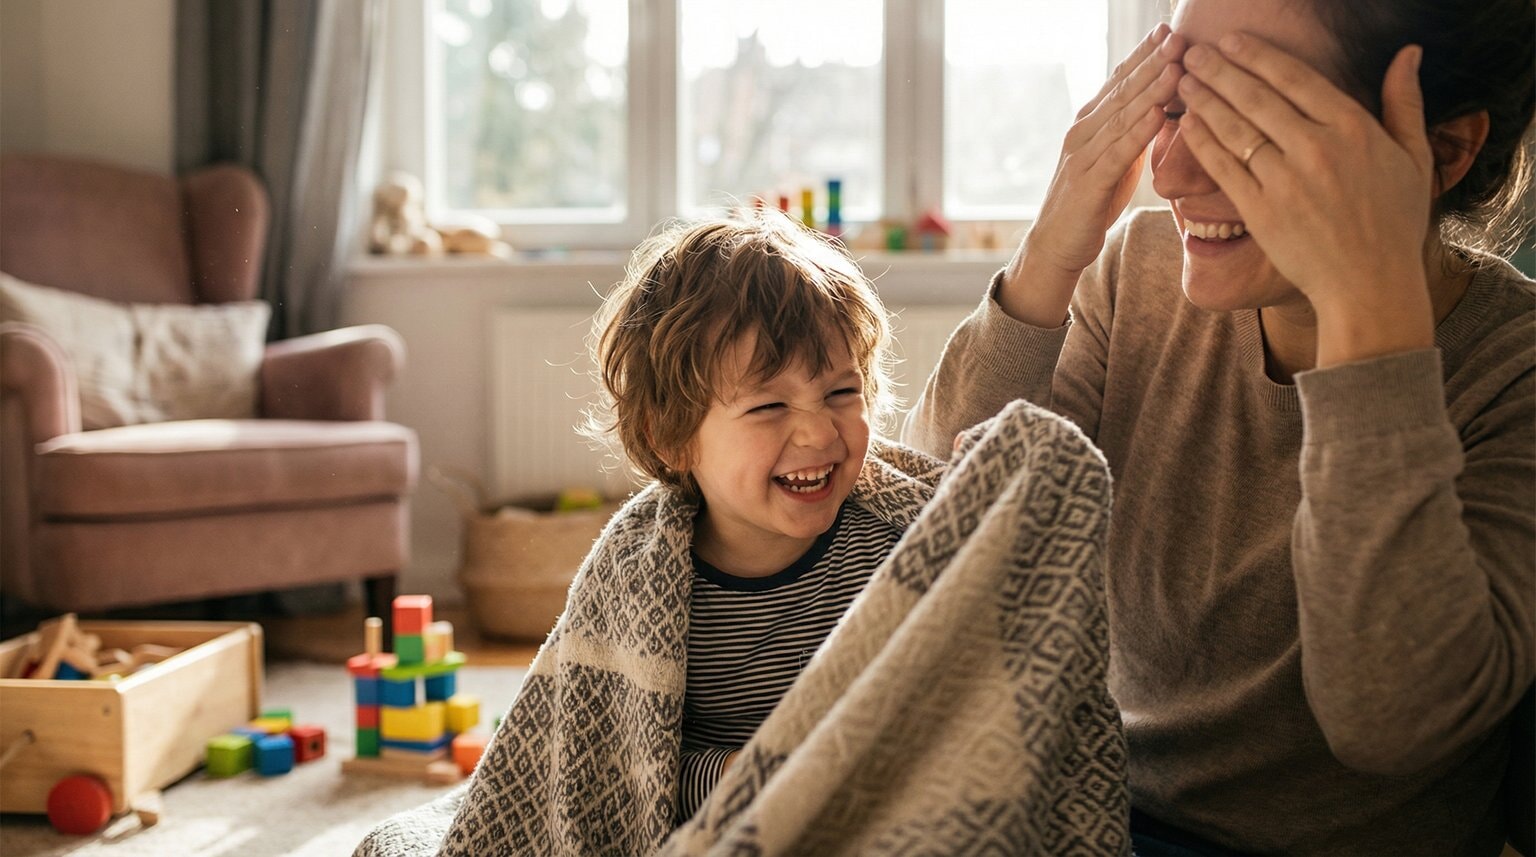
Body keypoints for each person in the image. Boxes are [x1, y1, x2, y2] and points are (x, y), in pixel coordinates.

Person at [904, 0, 1535, 855]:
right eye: (1173, 101)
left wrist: (1368, 303)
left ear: (1443, 152)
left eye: (1248, 123)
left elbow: (1388, 723)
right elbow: (927, 549)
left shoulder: (1514, 366)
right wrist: (1052, 248)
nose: (1169, 173)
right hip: (1094, 817)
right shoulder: (1139, 270)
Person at [585, 211, 907, 820]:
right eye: (768, 406)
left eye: (841, 393)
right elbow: (614, 770)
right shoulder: (639, 577)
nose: (818, 432)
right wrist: (748, 776)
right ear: (671, 438)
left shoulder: (897, 543)